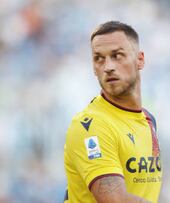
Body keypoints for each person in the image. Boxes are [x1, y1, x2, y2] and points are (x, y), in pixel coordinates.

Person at [64, 21, 162, 203]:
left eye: (117, 55)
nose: (108, 66)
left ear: (140, 59)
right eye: (98, 58)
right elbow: (114, 200)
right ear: (94, 67)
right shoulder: (91, 125)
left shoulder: (149, 120)